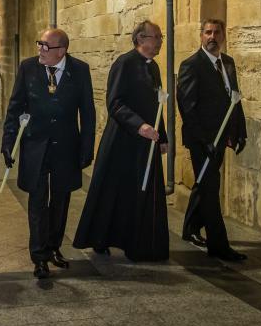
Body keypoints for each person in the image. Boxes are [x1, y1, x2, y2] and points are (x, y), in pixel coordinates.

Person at [1, 28, 95, 279]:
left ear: (62, 50)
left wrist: (87, 148)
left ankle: (54, 246)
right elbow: (15, 107)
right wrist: (8, 142)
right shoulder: (28, 68)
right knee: (37, 201)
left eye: (46, 46)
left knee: (61, 199)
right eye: (39, 43)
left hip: (66, 147)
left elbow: (87, 112)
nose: (40, 49)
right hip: (35, 146)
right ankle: (39, 255)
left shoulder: (80, 70)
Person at [73, 20, 169, 262]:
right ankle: (101, 239)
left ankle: (140, 242)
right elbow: (114, 102)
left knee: (142, 193)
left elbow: (158, 105)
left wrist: (163, 136)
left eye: (160, 37)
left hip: (148, 140)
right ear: (141, 39)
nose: (159, 41)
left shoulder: (154, 67)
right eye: (156, 36)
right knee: (115, 192)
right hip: (123, 140)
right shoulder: (124, 63)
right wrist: (139, 125)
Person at [178, 18, 248, 261]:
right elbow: (187, 107)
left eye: (217, 32)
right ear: (201, 36)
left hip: (222, 137)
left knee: (204, 183)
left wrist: (240, 131)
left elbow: (234, 98)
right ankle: (219, 245)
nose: (212, 36)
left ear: (223, 36)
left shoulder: (227, 63)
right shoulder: (191, 65)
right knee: (210, 189)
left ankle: (189, 228)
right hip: (201, 140)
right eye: (207, 32)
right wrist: (204, 140)